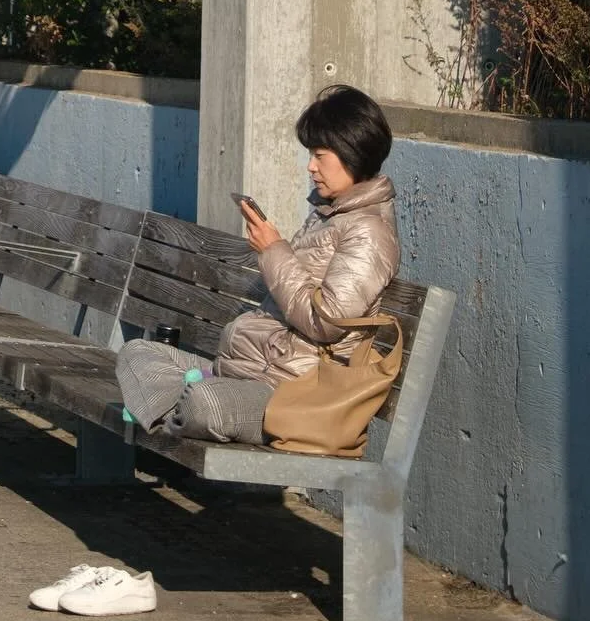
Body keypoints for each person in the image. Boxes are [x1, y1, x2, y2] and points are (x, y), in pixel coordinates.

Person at [114, 83, 400, 446]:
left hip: (289, 394)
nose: (311, 167)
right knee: (137, 352)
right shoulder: (328, 215)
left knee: (207, 404)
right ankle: (177, 404)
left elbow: (326, 322)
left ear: (352, 153)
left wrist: (274, 250)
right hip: (245, 372)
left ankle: (172, 403)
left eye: (320, 155)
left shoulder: (370, 233)